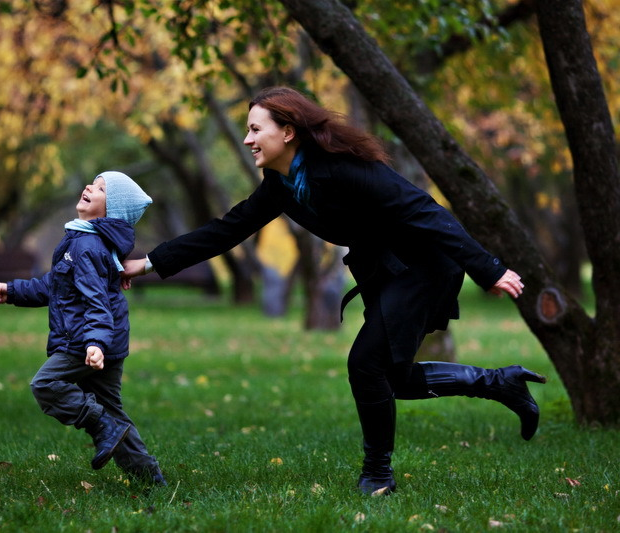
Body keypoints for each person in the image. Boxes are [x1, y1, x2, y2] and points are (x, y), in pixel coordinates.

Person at [122, 87, 545, 495]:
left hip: (424, 265)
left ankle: (378, 475)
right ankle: (500, 383)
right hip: (388, 270)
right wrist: (148, 263)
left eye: (255, 129)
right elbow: (226, 230)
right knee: (390, 378)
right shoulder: (281, 184)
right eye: (247, 130)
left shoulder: (344, 167)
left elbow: (423, 209)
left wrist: (487, 268)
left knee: (365, 365)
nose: (248, 139)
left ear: (288, 132)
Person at [0, 171, 166, 486]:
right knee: (114, 411)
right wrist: (13, 291)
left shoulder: (86, 245)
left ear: (110, 212)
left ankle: (100, 426)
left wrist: (94, 343)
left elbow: (97, 302)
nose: (89, 186)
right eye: (93, 182)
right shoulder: (83, 238)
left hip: (85, 341)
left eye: (100, 189)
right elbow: (54, 285)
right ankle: (148, 477)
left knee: (45, 385)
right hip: (104, 341)